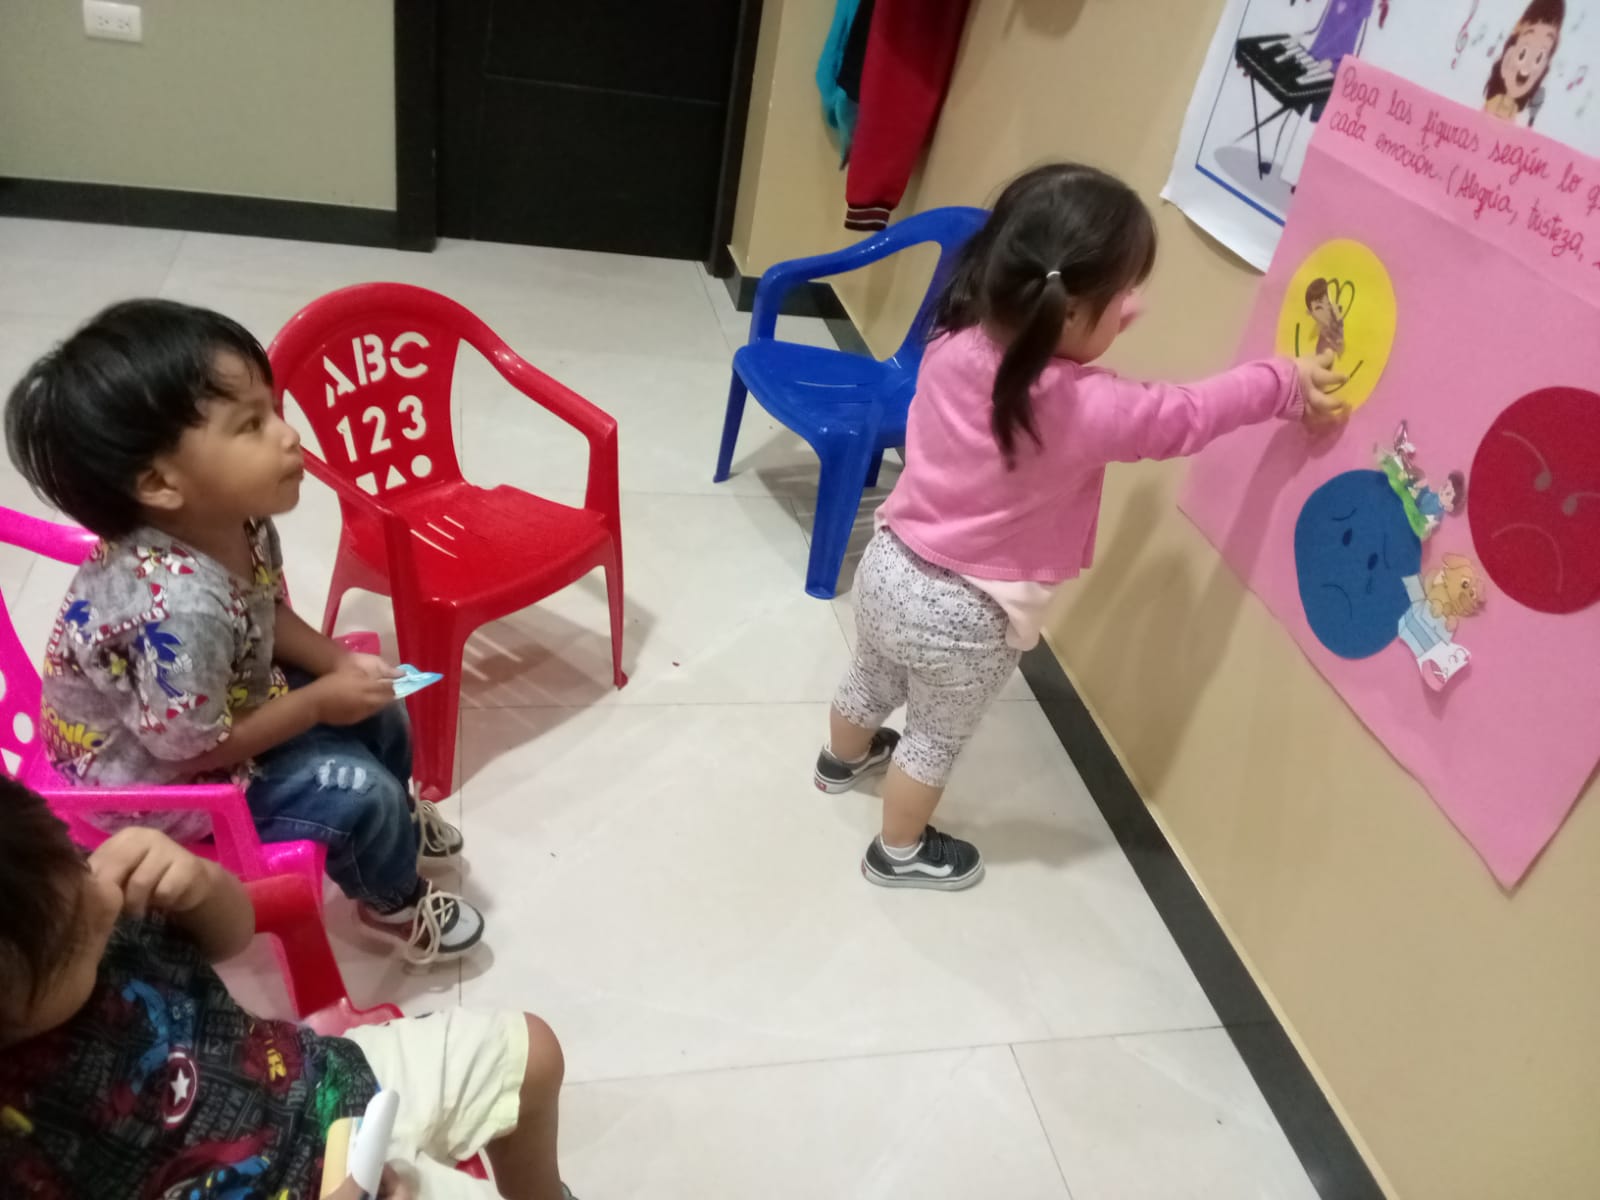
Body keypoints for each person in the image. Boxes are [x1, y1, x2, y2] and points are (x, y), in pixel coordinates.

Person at [814, 163, 1346, 890]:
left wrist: (1099, 311)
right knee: (933, 737)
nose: (1130, 306)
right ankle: (897, 851)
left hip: (888, 565)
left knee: (869, 676)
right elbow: (1188, 415)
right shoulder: (1085, 405)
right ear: (1066, 313)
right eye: (1119, 296)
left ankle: (840, 761)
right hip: (967, 614)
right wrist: (1283, 380)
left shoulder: (951, 335)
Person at [5, 300, 484, 963]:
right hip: (158, 786)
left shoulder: (239, 520)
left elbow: (265, 610)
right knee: (358, 791)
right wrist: (316, 705)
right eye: (251, 425)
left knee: (381, 704)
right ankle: (393, 900)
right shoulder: (176, 610)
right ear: (160, 483)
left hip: (213, 705)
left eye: (273, 410)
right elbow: (192, 751)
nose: (289, 436)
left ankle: (396, 827)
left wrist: (336, 662)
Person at [0, 777, 574, 1199]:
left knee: (532, 1051)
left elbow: (232, 935)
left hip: (318, 1079)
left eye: (77, 862)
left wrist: (201, 885)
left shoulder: (58, 891)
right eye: (75, 939)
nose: (105, 900)